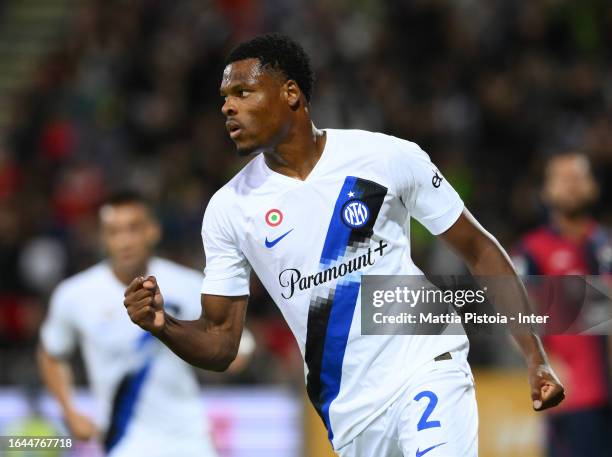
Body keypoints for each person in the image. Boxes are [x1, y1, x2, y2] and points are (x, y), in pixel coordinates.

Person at [123, 33, 564, 456]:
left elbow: (480, 250)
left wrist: (534, 355)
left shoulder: (386, 157)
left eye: (243, 92)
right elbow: (222, 342)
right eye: (224, 98)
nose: (227, 108)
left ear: (291, 93)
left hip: (427, 364)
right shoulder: (229, 210)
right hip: (349, 414)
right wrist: (165, 325)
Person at [38, 191, 218, 457]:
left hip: (189, 439)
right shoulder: (74, 294)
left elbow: (222, 342)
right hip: (124, 442)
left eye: (133, 229)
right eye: (113, 231)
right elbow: (51, 353)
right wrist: (69, 411)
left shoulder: (189, 284)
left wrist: (237, 351)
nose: (124, 241)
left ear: (153, 231)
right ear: (102, 237)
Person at [513, 152, 612, 457]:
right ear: (546, 192)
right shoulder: (533, 252)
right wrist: (542, 363)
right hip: (575, 399)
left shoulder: (606, 245)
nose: (570, 185)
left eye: (578, 177)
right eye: (562, 178)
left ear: (593, 187)